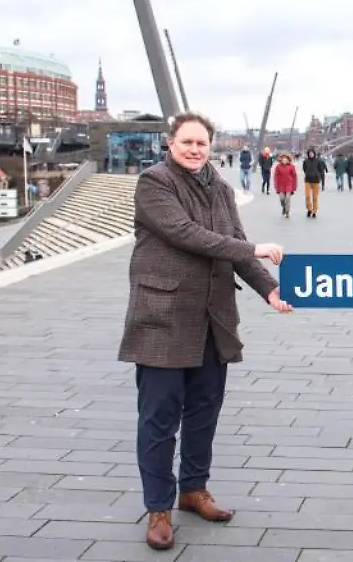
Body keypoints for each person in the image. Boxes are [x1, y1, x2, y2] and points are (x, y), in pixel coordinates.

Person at [117, 112, 294, 551]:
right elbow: (185, 234)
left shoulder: (220, 187)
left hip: (213, 318)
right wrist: (254, 247)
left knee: (203, 412)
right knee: (158, 419)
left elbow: (235, 245)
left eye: (201, 143)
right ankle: (158, 508)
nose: (195, 149)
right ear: (171, 143)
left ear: (210, 146)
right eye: (187, 142)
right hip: (163, 317)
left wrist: (270, 289)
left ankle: (194, 489)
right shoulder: (154, 183)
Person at [301, 148, 327, 218]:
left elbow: (321, 171)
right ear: (308, 154)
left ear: (314, 154)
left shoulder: (318, 161)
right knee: (307, 196)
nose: (311, 154)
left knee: (315, 197)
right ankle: (309, 209)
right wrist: (308, 174)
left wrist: (322, 181)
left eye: (312, 153)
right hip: (308, 180)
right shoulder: (305, 161)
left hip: (316, 181)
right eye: (310, 153)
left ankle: (314, 211)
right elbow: (304, 169)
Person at [272, 152, 297, 218]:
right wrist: (276, 185)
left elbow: (294, 177)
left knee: (288, 198)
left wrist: (294, 186)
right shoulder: (278, 167)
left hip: (289, 184)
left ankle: (287, 212)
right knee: (282, 199)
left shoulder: (291, 167)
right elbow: (275, 176)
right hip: (281, 185)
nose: (284, 161)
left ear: (288, 160)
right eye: (283, 159)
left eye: (286, 159)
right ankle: (284, 207)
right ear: (281, 160)